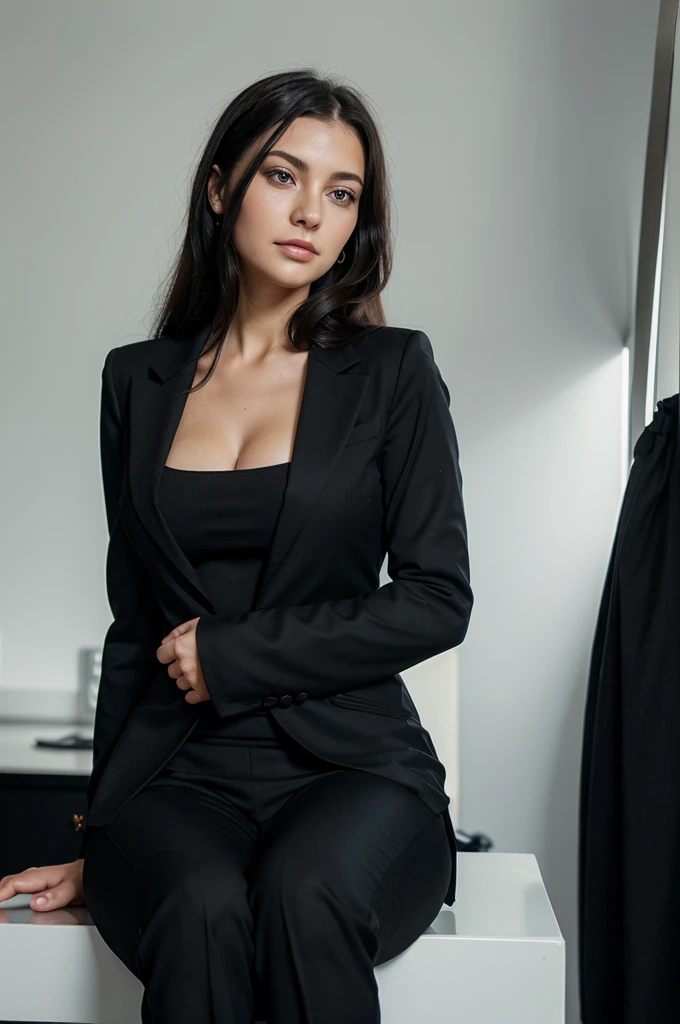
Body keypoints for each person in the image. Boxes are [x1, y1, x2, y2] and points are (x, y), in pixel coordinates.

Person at [0, 67, 473, 1023]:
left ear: (357, 224)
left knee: (306, 897)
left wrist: (233, 655)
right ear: (221, 188)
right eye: (282, 177)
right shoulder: (136, 381)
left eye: (341, 194)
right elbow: (135, 623)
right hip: (180, 775)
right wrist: (103, 837)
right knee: (198, 905)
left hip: (356, 768)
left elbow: (436, 596)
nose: (311, 213)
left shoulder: (393, 372)